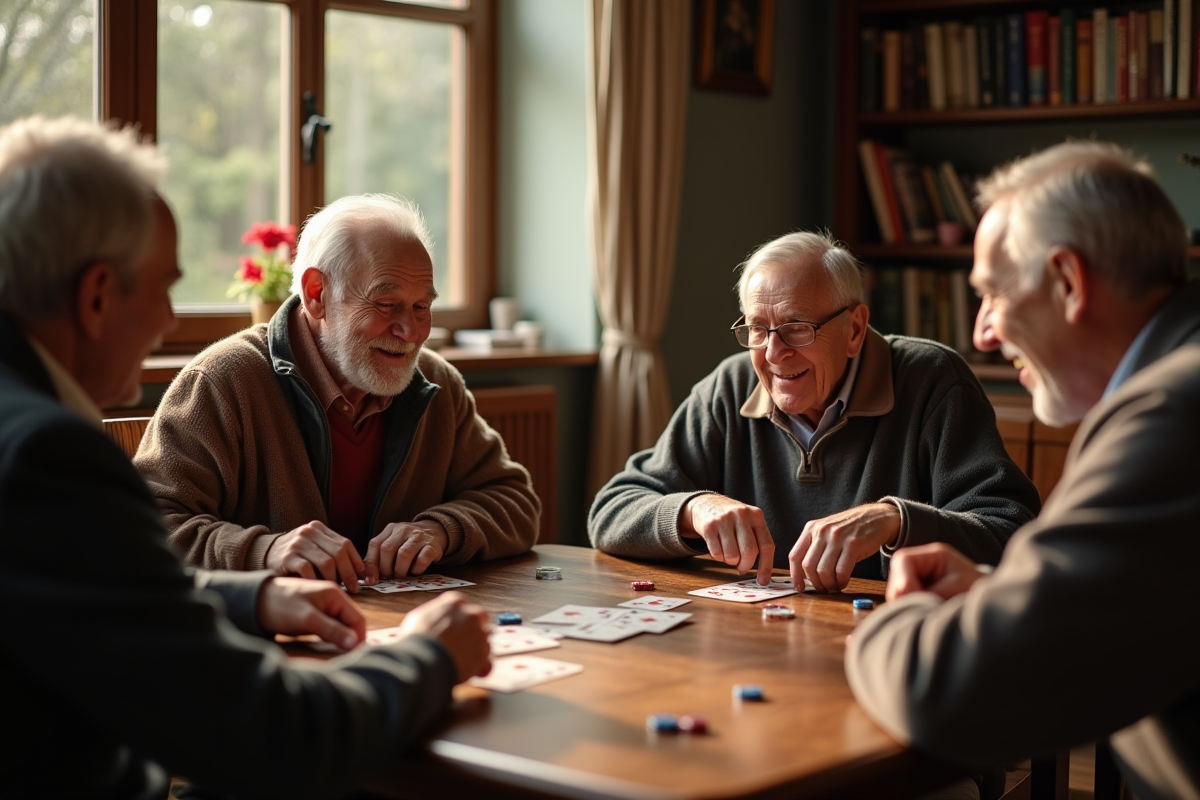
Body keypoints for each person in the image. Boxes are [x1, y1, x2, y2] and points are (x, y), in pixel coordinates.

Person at [0, 114, 492, 799]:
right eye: (164, 288)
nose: (172, 321)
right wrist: (428, 658)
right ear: (97, 296)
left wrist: (254, 597)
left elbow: (97, 589)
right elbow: (278, 737)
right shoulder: (45, 457)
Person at [845, 141, 1200, 800]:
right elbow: (1137, 612)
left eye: (992, 294)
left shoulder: (1173, 412)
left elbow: (948, 694)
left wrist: (884, 623)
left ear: (1068, 282)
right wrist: (993, 593)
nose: (981, 333)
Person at [589, 230, 1040, 591]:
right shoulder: (729, 387)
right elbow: (609, 512)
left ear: (855, 329)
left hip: (893, 639)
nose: (773, 353)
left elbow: (1013, 533)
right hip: (754, 641)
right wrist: (693, 509)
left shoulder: (933, 381)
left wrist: (893, 520)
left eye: (797, 329)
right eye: (757, 329)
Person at [134, 193, 539, 591]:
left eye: (421, 307)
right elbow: (141, 529)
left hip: (398, 631)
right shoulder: (224, 381)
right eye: (385, 303)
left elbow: (516, 504)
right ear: (316, 294)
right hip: (267, 641)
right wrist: (266, 550)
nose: (411, 332)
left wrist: (441, 531)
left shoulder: (435, 383)